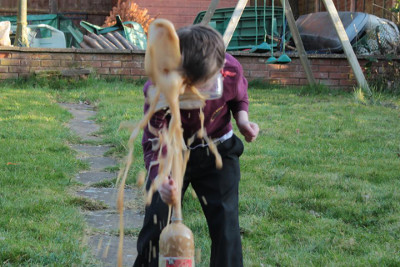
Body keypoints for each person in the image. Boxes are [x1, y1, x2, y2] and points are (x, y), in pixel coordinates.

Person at [133, 24, 259, 267]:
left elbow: (238, 95)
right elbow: (153, 139)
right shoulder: (159, 86)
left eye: (204, 86)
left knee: (226, 225)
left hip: (218, 150)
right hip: (172, 153)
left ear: (220, 68)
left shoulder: (231, 69)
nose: (196, 96)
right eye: (188, 88)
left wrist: (242, 119)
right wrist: (161, 181)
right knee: (156, 222)